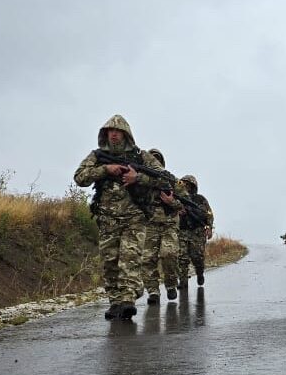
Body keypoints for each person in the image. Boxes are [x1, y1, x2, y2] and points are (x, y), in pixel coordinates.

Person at [74, 114, 165, 320]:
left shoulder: (141, 156)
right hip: (108, 219)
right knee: (110, 261)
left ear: (126, 134)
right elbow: (80, 177)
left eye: (118, 131)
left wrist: (137, 177)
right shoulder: (97, 156)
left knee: (129, 258)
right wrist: (105, 169)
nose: (114, 134)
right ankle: (115, 302)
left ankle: (128, 300)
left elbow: (163, 179)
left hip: (134, 217)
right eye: (110, 131)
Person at [140, 148, 184, 304]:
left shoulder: (170, 180)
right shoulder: (141, 181)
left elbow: (185, 204)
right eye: (152, 159)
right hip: (149, 224)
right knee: (147, 259)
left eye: (157, 160)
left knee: (169, 254)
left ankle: (171, 285)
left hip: (169, 223)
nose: (154, 162)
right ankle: (153, 292)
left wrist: (171, 202)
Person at [177, 174, 214, 288]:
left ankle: (200, 273)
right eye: (184, 184)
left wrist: (209, 227)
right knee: (182, 257)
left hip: (197, 232)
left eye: (188, 184)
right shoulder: (177, 198)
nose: (186, 187)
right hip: (182, 231)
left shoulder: (200, 199)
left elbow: (209, 214)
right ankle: (183, 282)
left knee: (197, 257)